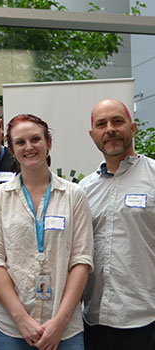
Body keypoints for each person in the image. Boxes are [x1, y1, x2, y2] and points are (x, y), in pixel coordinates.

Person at [0, 114, 93, 350]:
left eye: (35, 139)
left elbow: (81, 261)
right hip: (10, 326)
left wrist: (60, 322)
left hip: (64, 327)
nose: (29, 147)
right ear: (11, 149)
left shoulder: (74, 195)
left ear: (48, 143)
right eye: (20, 142)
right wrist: (22, 320)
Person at [79, 98, 155, 350]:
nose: (110, 129)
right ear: (93, 135)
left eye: (117, 121)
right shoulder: (83, 190)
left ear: (132, 128)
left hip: (146, 319)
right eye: (101, 124)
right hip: (95, 320)